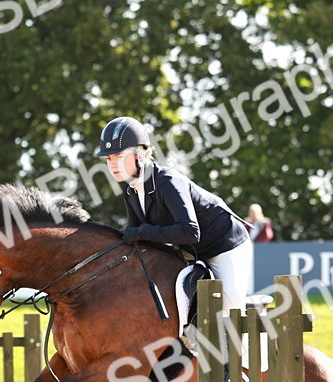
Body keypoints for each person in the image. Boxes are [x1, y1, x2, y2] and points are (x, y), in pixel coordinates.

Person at [97, 116, 252, 315]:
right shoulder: (129, 188)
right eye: (108, 158)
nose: (112, 164)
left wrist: (142, 232)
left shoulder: (168, 182)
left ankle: (247, 329)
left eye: (119, 156)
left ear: (139, 154)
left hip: (224, 245)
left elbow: (190, 232)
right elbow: (134, 234)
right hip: (189, 251)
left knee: (230, 313)